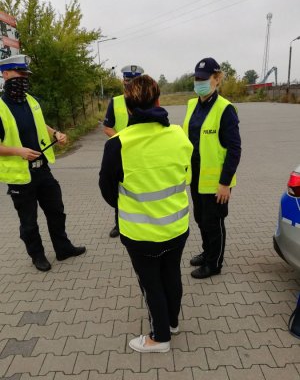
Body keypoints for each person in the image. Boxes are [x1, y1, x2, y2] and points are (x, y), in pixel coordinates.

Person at [99, 75, 193, 353]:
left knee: (151, 284)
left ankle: (160, 337)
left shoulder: (118, 144)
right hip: (177, 227)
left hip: (140, 234)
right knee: (172, 275)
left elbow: (106, 189)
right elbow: (186, 171)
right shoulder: (178, 134)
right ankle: (173, 322)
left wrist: (129, 204)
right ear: (159, 100)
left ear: (127, 108)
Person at [0, 54, 86, 272]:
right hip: (21, 176)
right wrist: (17, 151)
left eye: (26, 75)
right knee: (29, 222)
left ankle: (63, 248)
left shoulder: (32, 100)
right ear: (6, 74)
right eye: (20, 74)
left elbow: (41, 123)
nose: (24, 79)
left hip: (43, 169)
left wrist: (55, 132)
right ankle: (37, 255)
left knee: (56, 210)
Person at [183, 57, 241, 279]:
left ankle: (214, 264)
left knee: (214, 222)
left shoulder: (225, 109)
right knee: (200, 219)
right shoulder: (192, 104)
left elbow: (234, 149)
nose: (199, 82)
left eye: (204, 79)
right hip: (196, 176)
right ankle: (208, 253)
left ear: (216, 79)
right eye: (196, 78)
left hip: (217, 181)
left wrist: (225, 183)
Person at [102, 64, 144, 238]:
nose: (131, 84)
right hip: (122, 152)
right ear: (123, 81)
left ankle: (142, 220)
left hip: (142, 152)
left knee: (142, 187)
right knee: (121, 187)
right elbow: (107, 127)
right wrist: (123, 141)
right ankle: (120, 224)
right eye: (128, 80)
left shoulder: (147, 99)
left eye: (134, 81)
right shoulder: (116, 101)